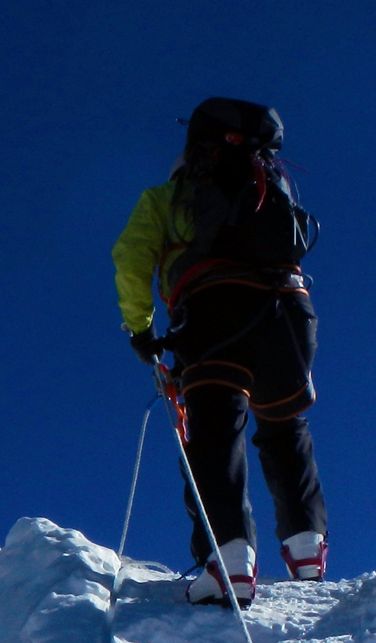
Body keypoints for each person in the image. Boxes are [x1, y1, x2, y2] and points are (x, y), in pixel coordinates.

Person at [111, 97, 329, 608]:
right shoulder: (271, 189)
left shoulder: (166, 198)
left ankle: (229, 559)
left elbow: (130, 258)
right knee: (284, 426)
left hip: (212, 312)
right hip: (290, 311)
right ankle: (306, 549)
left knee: (213, 427)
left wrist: (142, 332)